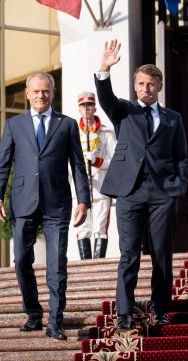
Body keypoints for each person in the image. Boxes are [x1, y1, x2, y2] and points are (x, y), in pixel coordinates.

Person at [95, 40, 188, 330]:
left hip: (163, 192)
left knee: (162, 255)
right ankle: (124, 312)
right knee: (129, 254)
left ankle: (160, 310)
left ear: (158, 86)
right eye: (140, 83)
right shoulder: (124, 111)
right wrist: (104, 69)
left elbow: (181, 156)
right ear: (135, 86)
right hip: (130, 191)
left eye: (150, 84)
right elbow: (105, 98)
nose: (145, 88)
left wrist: (178, 185)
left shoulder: (173, 119)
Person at [0, 72, 91, 341]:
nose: (40, 96)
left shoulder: (67, 125)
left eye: (45, 91)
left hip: (57, 204)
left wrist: (83, 200)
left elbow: (78, 166)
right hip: (23, 203)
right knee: (22, 260)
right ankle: (33, 312)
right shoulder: (14, 125)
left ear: (53, 92)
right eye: (35, 91)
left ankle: (55, 322)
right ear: (27, 93)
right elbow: (2, 165)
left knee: (57, 264)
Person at [75, 91, 117, 259]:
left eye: (90, 105)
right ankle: (85, 267)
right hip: (79, 188)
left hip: (100, 185)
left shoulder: (106, 132)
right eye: (83, 105)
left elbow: (114, 160)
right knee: (82, 227)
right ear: (79, 109)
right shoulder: (72, 132)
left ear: (95, 107)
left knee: (100, 227)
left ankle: (98, 264)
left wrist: (98, 161)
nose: (87, 108)